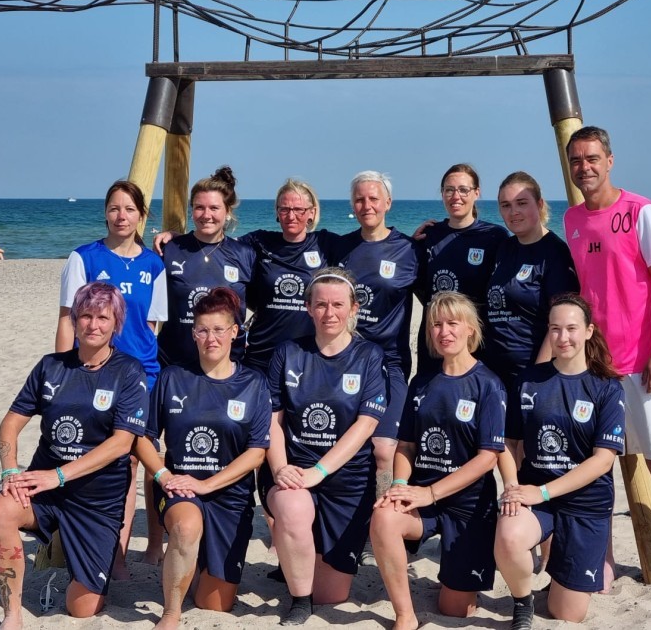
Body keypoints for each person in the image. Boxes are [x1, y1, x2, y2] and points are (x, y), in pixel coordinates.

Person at [562, 125, 651, 603]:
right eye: (576, 160)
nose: (585, 167)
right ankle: (601, 561)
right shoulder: (572, 220)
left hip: (641, 367)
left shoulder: (641, 211)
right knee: (598, 466)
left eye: (592, 158)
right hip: (594, 367)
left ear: (609, 160)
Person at [0, 282, 149, 628]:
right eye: (86, 316)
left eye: (103, 317)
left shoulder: (128, 371)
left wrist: (59, 474)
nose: (93, 325)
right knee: (1, 508)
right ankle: (12, 614)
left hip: (96, 501)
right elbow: (8, 427)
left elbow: (122, 443)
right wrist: (9, 473)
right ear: (74, 321)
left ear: (116, 323)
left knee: (82, 608)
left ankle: (74, 553)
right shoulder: (51, 366)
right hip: (45, 491)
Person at [134, 287, 271, 629]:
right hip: (181, 488)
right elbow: (142, 439)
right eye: (203, 330)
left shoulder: (253, 383)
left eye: (219, 329)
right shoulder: (172, 378)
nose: (211, 338)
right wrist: (164, 477)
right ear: (193, 334)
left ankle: (193, 565)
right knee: (185, 525)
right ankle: (170, 613)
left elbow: (256, 453)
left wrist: (208, 484)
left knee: (215, 603)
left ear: (234, 332)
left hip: (230, 496)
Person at [370, 291, 505, 630]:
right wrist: (399, 484)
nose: (444, 331)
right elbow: (407, 446)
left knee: (456, 610)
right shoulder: (422, 381)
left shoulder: (489, 384)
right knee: (384, 517)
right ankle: (405, 615)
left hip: (468, 504)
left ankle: (454, 575)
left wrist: (431, 493)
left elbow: (488, 458)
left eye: (453, 324)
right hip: (424, 499)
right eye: (436, 325)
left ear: (470, 330)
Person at [265, 267, 388, 625]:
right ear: (307, 308)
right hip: (295, 469)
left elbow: (365, 426)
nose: (329, 313)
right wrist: (280, 469)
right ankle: (299, 601)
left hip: (345, 479)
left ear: (353, 309)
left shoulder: (369, 356)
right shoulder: (288, 352)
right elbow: (273, 421)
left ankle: (302, 561)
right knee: (292, 504)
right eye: (320, 305)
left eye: (337, 305)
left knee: (332, 595)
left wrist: (320, 471)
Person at [494, 293, 625, 628]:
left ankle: (559, 580)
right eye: (555, 329)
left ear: (588, 331)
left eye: (571, 329)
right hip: (538, 497)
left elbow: (602, 461)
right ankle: (522, 602)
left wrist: (544, 492)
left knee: (567, 613)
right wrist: (512, 486)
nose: (562, 337)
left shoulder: (607, 387)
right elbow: (508, 444)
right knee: (509, 535)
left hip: (585, 503)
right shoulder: (528, 381)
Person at [57, 179, 168, 570]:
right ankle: (112, 553)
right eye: (114, 208)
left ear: (142, 215)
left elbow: (151, 327)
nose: (121, 216)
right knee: (105, 460)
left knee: (143, 459)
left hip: (142, 376)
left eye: (129, 209)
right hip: (92, 373)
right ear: (105, 212)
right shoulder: (83, 257)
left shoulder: (155, 264)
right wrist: (63, 372)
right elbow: (67, 320)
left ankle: (153, 545)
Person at [328, 171, 420, 483]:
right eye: (359, 199)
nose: (366, 205)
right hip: (343, 359)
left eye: (373, 199)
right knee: (343, 441)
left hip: (389, 362)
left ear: (388, 203)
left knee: (384, 447)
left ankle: (387, 515)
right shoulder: (337, 247)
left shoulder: (409, 250)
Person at [484, 171, 579, 389]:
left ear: (539, 204)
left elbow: (560, 322)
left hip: (532, 374)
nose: (513, 212)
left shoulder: (555, 252)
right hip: (494, 373)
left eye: (521, 203)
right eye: (505, 205)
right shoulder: (504, 248)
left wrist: (538, 374)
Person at [413, 164, 509, 376]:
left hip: (477, 339)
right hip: (437, 337)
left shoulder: (495, 236)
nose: (456, 196)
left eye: (463, 190)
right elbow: (418, 285)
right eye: (449, 190)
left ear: (476, 193)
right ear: (442, 194)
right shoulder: (429, 236)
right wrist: (409, 244)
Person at [158, 167, 257, 370]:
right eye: (199, 207)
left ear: (227, 211)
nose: (206, 215)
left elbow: (262, 305)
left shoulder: (245, 254)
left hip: (228, 367)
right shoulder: (170, 249)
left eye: (214, 208)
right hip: (176, 365)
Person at [240, 178, 333, 374]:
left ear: (311, 213)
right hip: (261, 355)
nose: (291, 216)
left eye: (299, 209)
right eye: (284, 209)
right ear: (277, 212)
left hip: (308, 357)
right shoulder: (259, 242)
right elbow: (218, 246)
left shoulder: (326, 244)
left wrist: (414, 242)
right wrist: (176, 236)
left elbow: (370, 243)